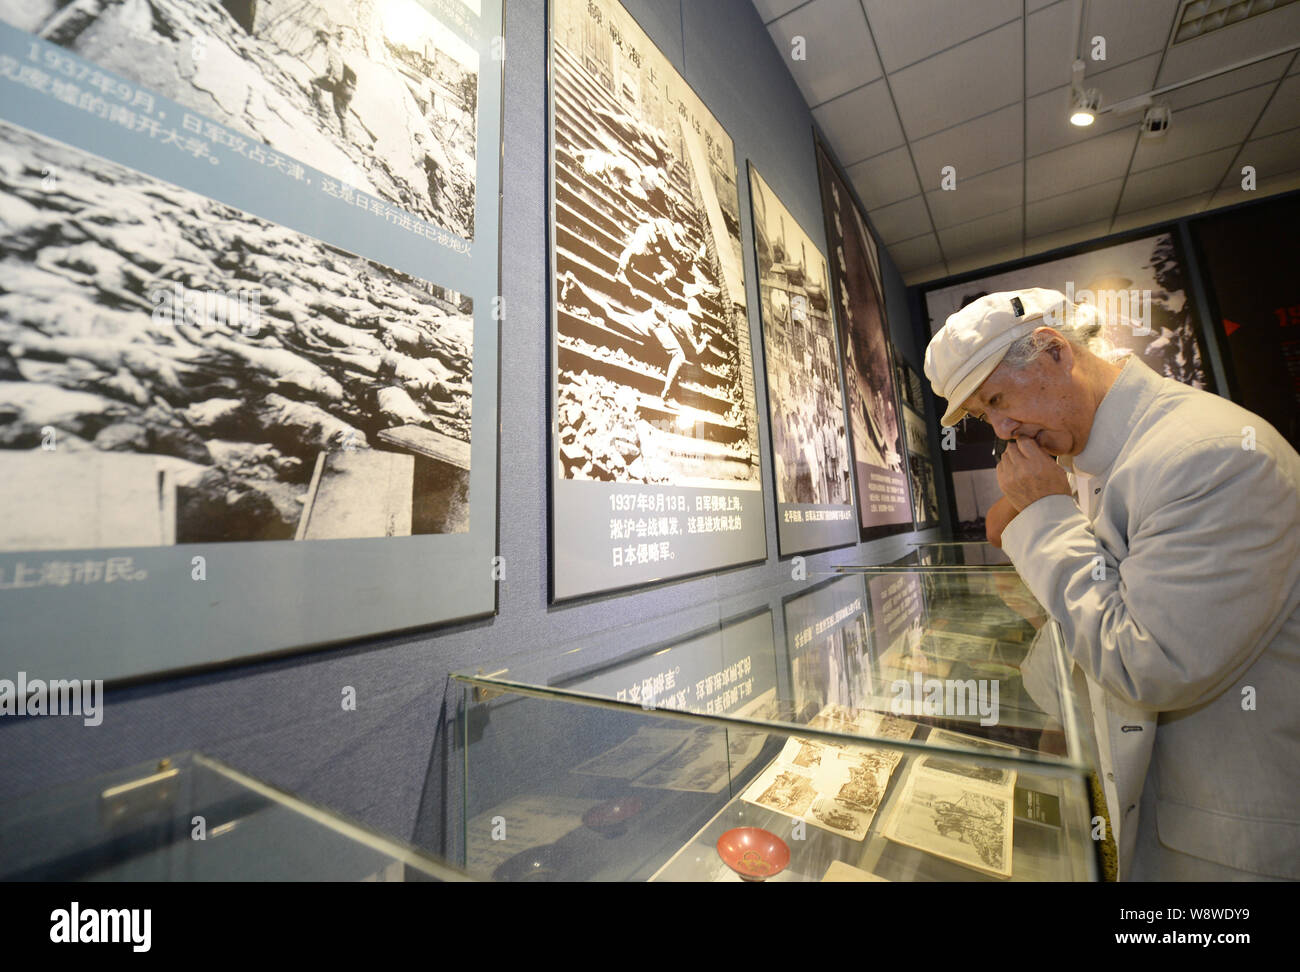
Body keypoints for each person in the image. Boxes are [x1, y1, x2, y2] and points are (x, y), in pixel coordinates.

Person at [924, 287, 1300, 880]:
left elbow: (1151, 662)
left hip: (1223, 856)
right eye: (981, 415)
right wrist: (1058, 729)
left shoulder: (1212, 456)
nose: (999, 428)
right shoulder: (1093, 461)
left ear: (1053, 352)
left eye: (997, 398)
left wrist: (1045, 517)